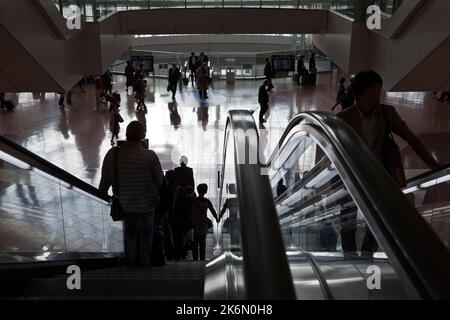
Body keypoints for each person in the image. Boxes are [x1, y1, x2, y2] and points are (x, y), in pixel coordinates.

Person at [338, 70, 440, 256]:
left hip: (378, 178)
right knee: (347, 223)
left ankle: (367, 257)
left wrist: (434, 165)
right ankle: (349, 258)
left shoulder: (387, 113)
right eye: (372, 91)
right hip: (351, 179)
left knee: (378, 223)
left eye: (379, 90)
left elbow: (413, 140)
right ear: (358, 94)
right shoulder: (344, 119)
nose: (378, 95)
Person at [99, 121, 163, 267]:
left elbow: (105, 181)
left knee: (129, 233)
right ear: (143, 136)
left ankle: (131, 263)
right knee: (146, 234)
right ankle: (145, 264)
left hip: (124, 204)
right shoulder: (150, 156)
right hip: (147, 204)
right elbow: (159, 181)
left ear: (126, 135)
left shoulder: (113, 155)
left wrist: (102, 196)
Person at [190, 184, 218, 261]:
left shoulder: (194, 201)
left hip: (195, 222)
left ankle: (195, 258)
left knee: (195, 241)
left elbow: (191, 211)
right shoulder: (207, 201)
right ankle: (202, 258)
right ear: (205, 191)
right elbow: (212, 210)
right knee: (203, 241)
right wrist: (216, 218)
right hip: (203, 223)